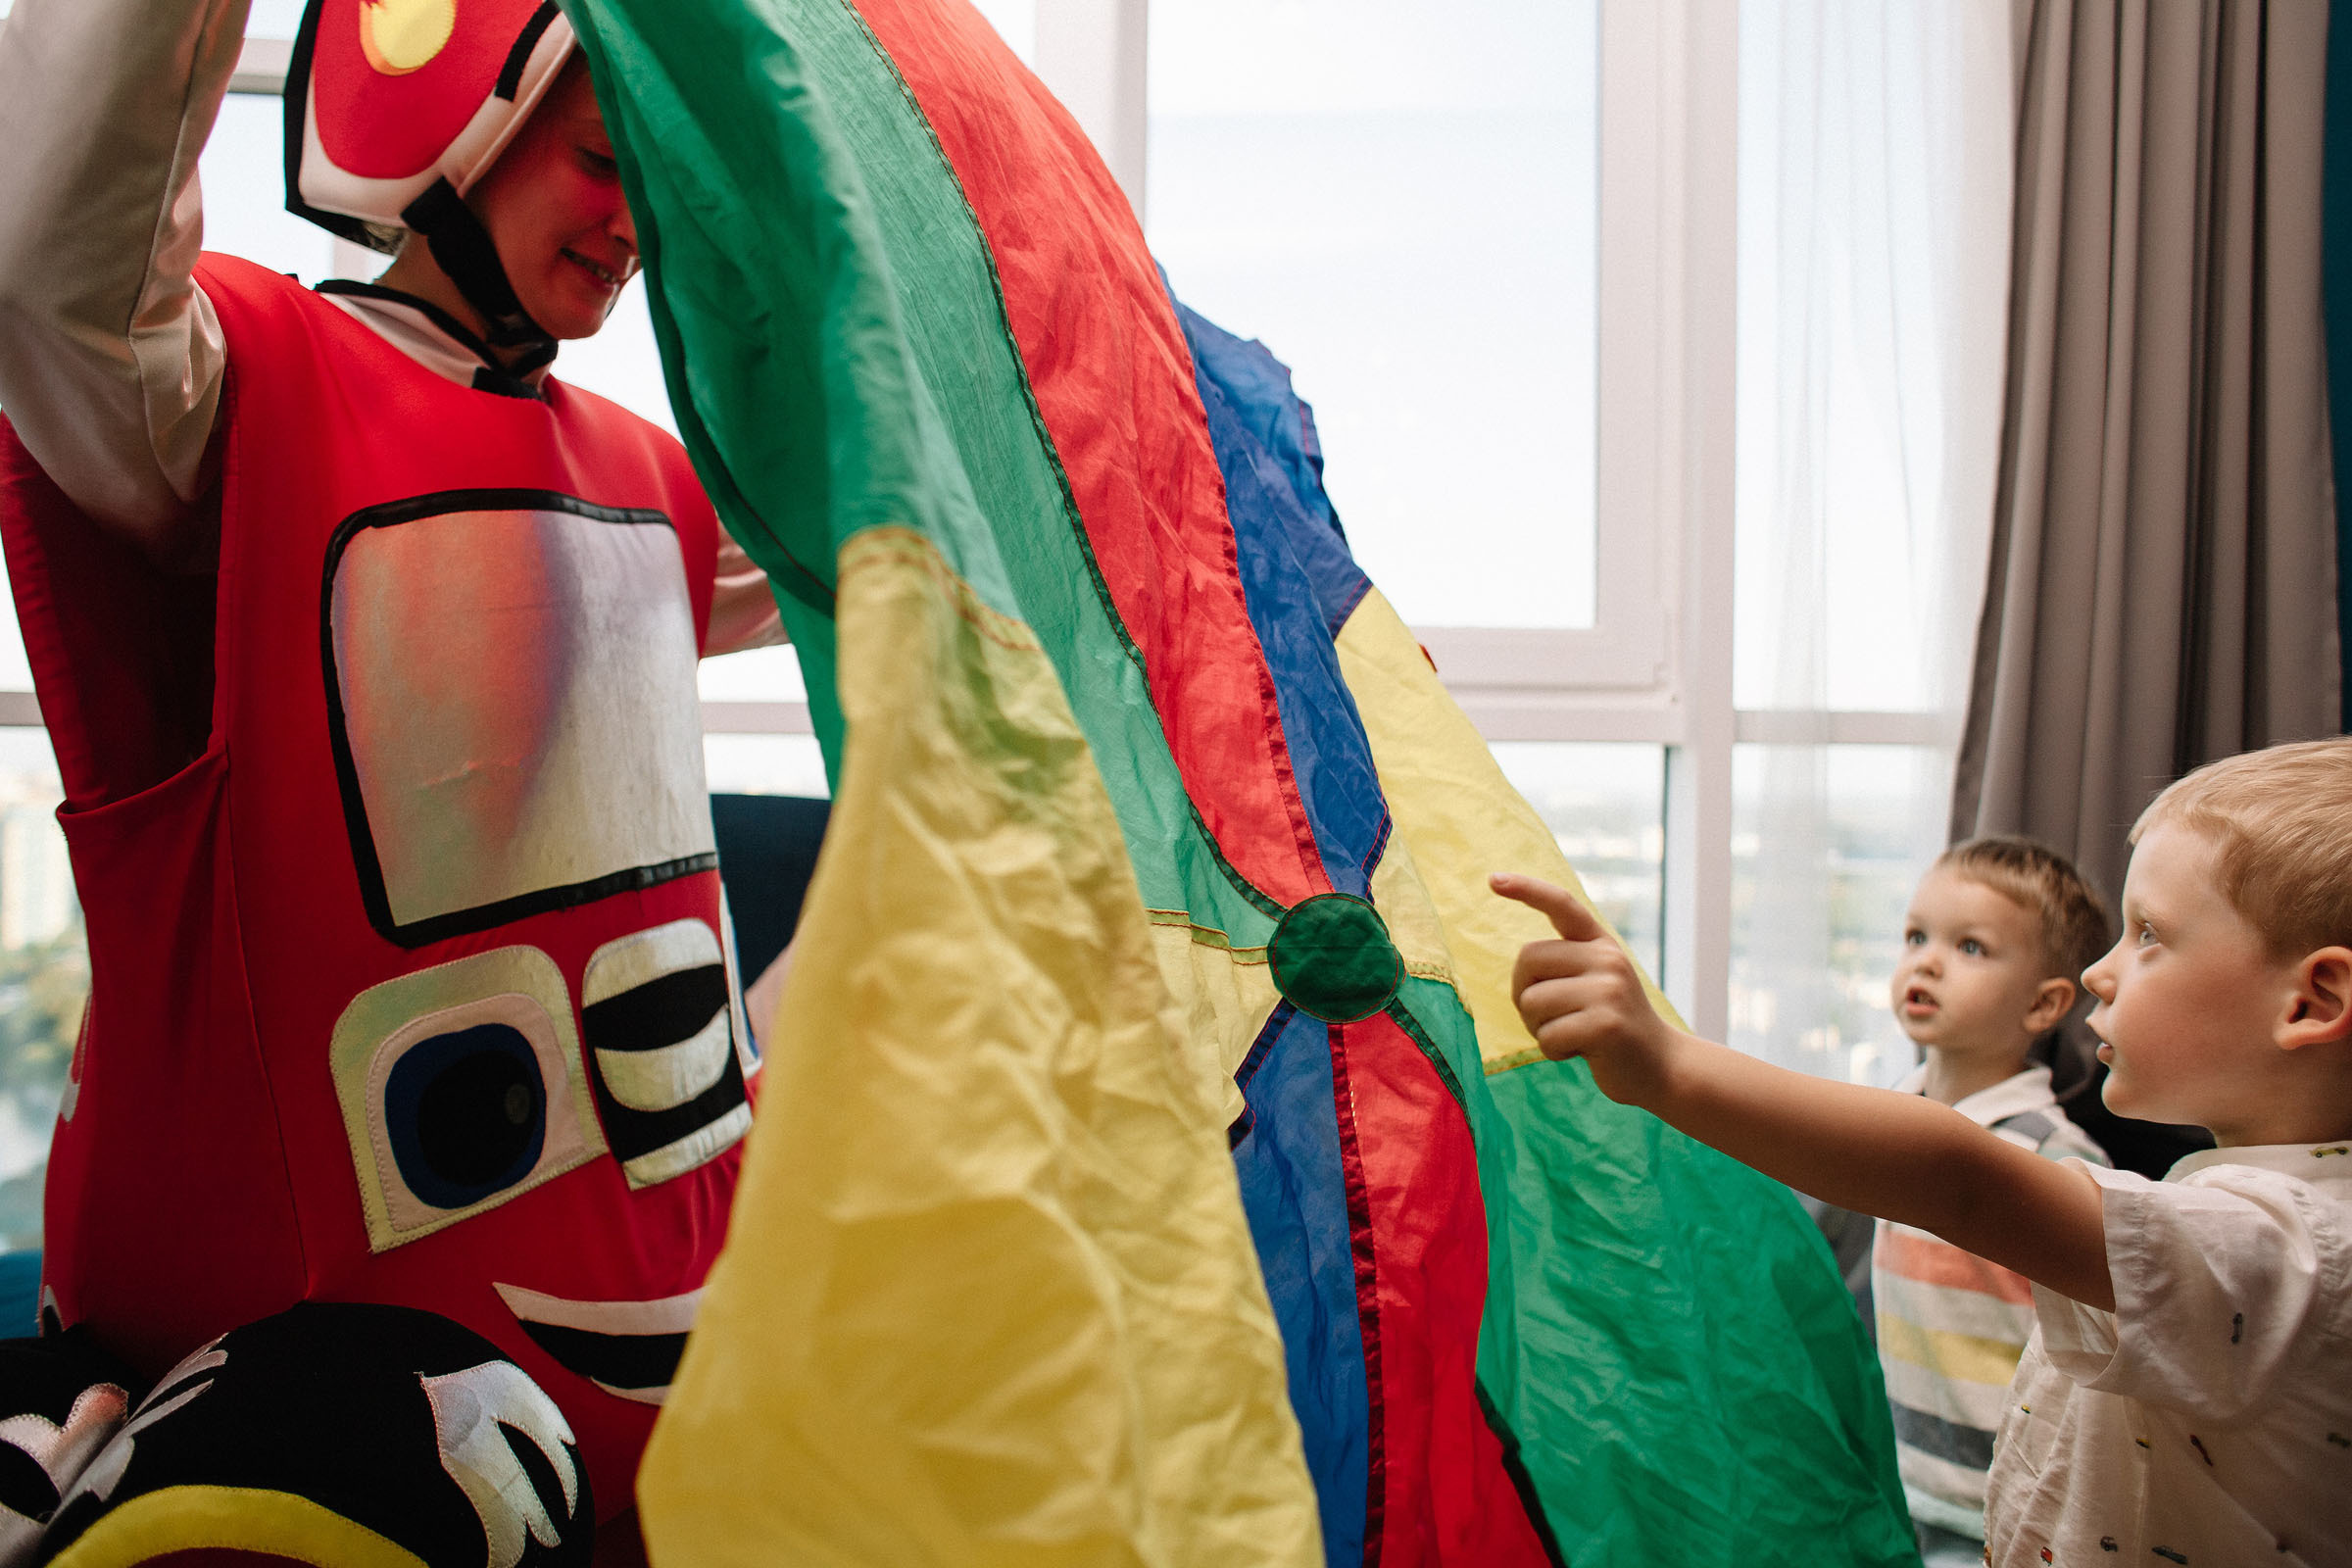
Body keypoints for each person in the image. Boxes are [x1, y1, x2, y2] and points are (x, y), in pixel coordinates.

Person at [0, 0, 785, 1554]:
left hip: (687, 1432)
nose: (636, 226)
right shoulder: (241, 394)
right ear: (459, 122)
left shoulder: (642, 476)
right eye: (598, 161)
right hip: (327, 1439)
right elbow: (55, 279)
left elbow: (867, 523)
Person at [1495, 737, 2352, 1568]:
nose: (2102, 972)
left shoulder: (2284, 1250)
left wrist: (1670, 1066)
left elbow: (1958, 1179)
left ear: (2310, 1002)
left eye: (2150, 936)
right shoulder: (2254, 1220)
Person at [1876, 836, 2109, 1563]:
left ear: (2044, 1004)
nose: (1927, 961)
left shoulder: (2056, 1160)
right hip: (1902, 1479)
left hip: (2001, 1504)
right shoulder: (1887, 1119)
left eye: (1970, 947)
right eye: (1917, 936)